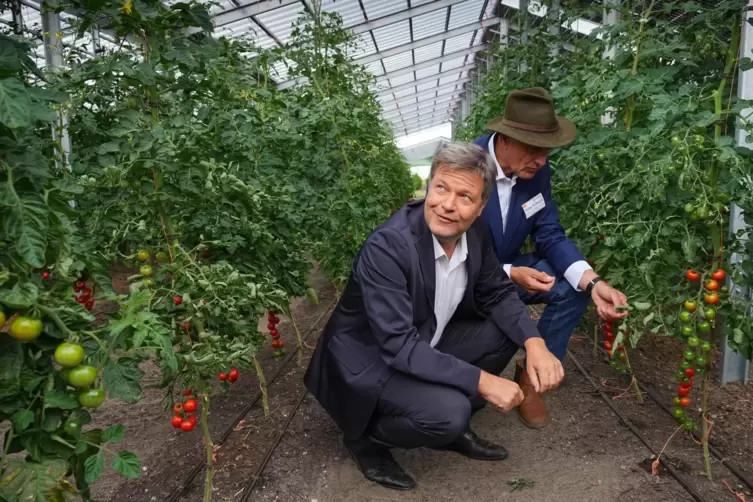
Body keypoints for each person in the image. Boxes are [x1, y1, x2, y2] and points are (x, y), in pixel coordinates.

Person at [304, 141, 564, 491]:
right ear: (429, 186)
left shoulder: (476, 232)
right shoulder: (389, 247)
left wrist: (534, 343)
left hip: (426, 337)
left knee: (505, 332)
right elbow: (398, 346)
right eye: (441, 188)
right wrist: (484, 381)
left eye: (465, 197)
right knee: (447, 412)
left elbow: (497, 292)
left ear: (481, 207)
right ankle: (366, 439)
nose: (447, 205)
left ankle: (451, 431)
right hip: (371, 361)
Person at [471, 87, 629, 429]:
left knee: (573, 289)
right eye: (533, 149)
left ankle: (530, 379)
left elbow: (549, 232)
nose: (542, 160)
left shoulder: (535, 171)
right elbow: (447, 249)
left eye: (547, 150)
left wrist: (593, 281)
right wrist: (509, 272)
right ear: (505, 139)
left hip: (508, 272)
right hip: (463, 278)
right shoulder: (465, 166)